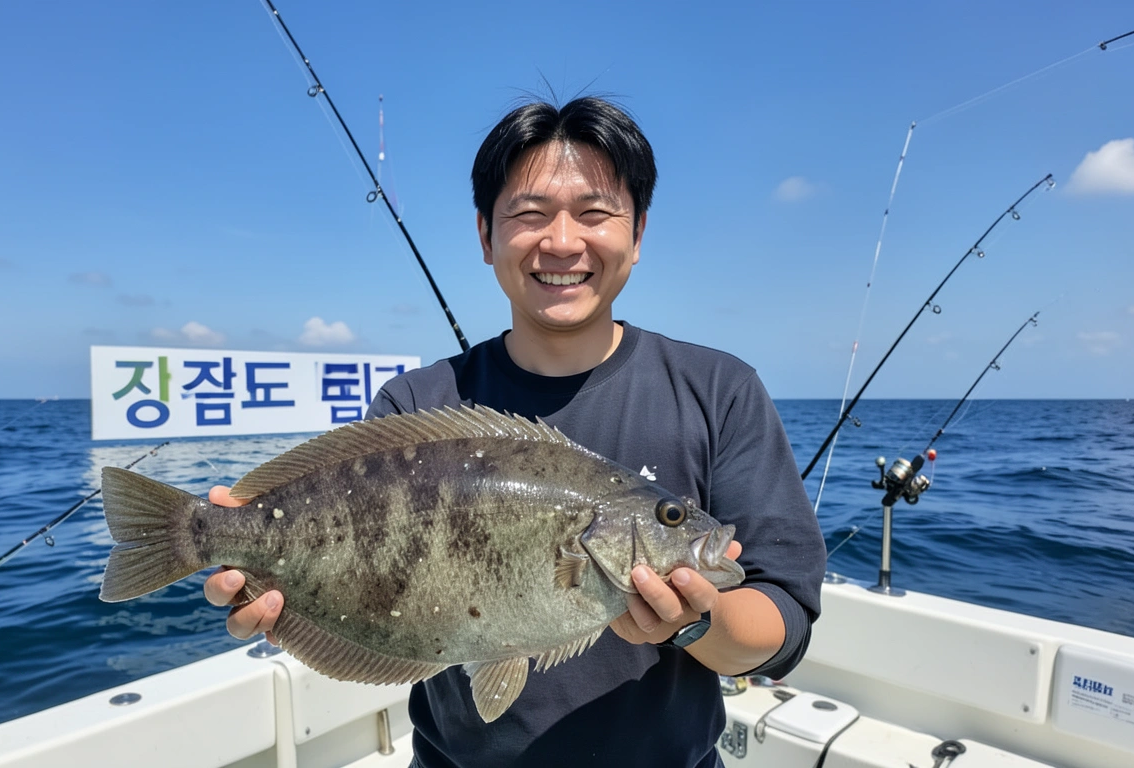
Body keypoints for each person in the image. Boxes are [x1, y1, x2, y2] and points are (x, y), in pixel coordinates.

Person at [203, 97, 826, 767]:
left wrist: (698, 620)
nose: (562, 241)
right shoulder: (415, 402)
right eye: (529, 214)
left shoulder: (719, 390)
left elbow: (782, 618)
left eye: (594, 212)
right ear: (485, 235)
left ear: (638, 233)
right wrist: (265, 592)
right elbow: (357, 572)